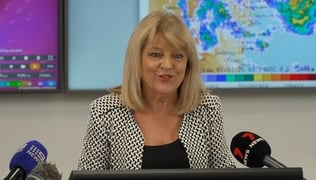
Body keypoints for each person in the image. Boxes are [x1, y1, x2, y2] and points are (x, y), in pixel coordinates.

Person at [78, 10, 235, 170]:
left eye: (178, 56)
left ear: (188, 64)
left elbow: (225, 173)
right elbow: (88, 175)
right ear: (137, 60)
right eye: (155, 55)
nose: (167, 65)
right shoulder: (105, 112)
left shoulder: (207, 108)